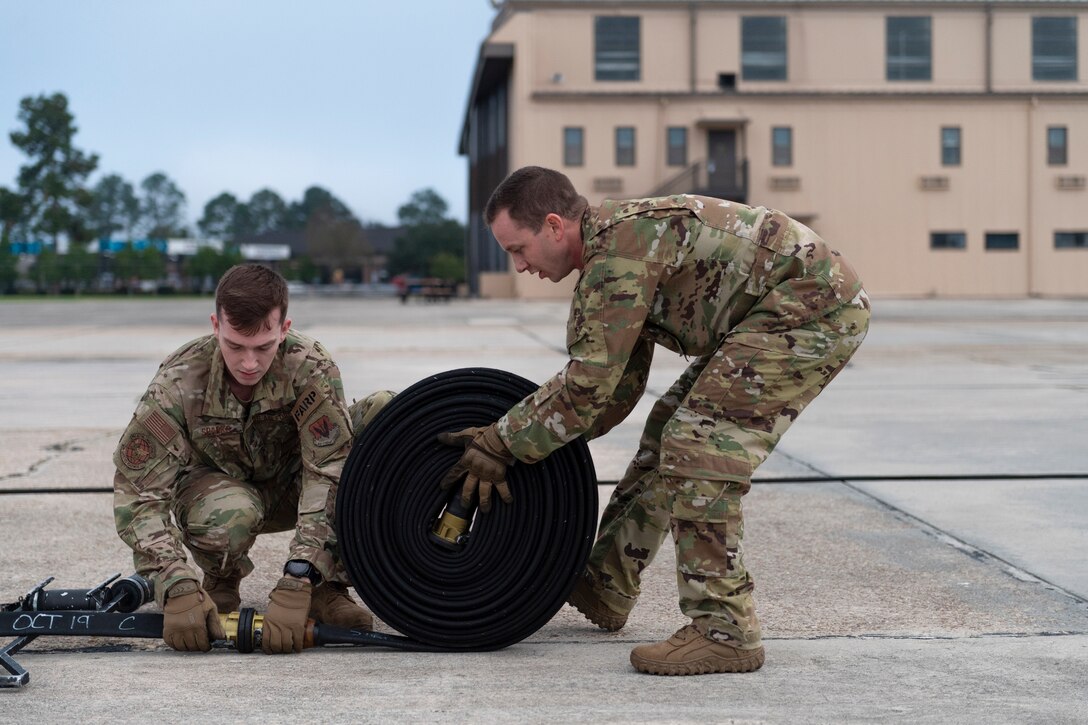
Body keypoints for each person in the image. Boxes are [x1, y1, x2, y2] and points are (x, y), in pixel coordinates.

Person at [439, 166, 870, 675]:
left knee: (698, 447)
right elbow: (616, 391)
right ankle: (605, 581)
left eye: (519, 249)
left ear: (555, 226)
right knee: (668, 432)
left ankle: (725, 629)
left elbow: (585, 387)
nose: (518, 265)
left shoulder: (620, 253)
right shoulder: (609, 255)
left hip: (811, 309)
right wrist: (527, 443)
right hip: (771, 314)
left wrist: (501, 443)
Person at [113, 264, 391, 655]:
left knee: (385, 418)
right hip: (220, 493)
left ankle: (328, 586)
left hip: (297, 485)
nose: (248, 363)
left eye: (263, 347)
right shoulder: (180, 380)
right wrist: (173, 582)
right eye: (234, 345)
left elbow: (329, 470)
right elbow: (139, 492)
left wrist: (301, 575)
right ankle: (221, 579)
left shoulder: (308, 365)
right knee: (229, 519)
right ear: (215, 325)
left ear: (284, 327)